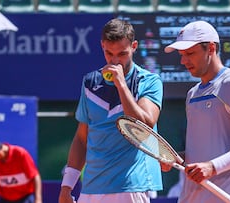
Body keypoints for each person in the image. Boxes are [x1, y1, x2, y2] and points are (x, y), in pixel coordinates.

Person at [58, 18, 163, 203]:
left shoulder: (149, 81)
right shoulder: (90, 83)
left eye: (122, 54)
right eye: (109, 53)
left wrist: (121, 85)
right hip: (91, 188)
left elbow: (144, 128)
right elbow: (82, 139)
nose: (115, 61)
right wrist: (67, 187)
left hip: (131, 186)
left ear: (134, 46)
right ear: (102, 46)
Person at [163, 20, 230, 203]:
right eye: (182, 55)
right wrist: (176, 159)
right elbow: (206, 150)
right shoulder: (192, 94)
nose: (184, 61)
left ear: (211, 48)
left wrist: (212, 167)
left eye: (190, 53)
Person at [0, 137, 42, 203]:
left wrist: (38, 199)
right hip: (5, 199)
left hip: (25, 197)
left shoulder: (20, 154)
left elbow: (35, 176)